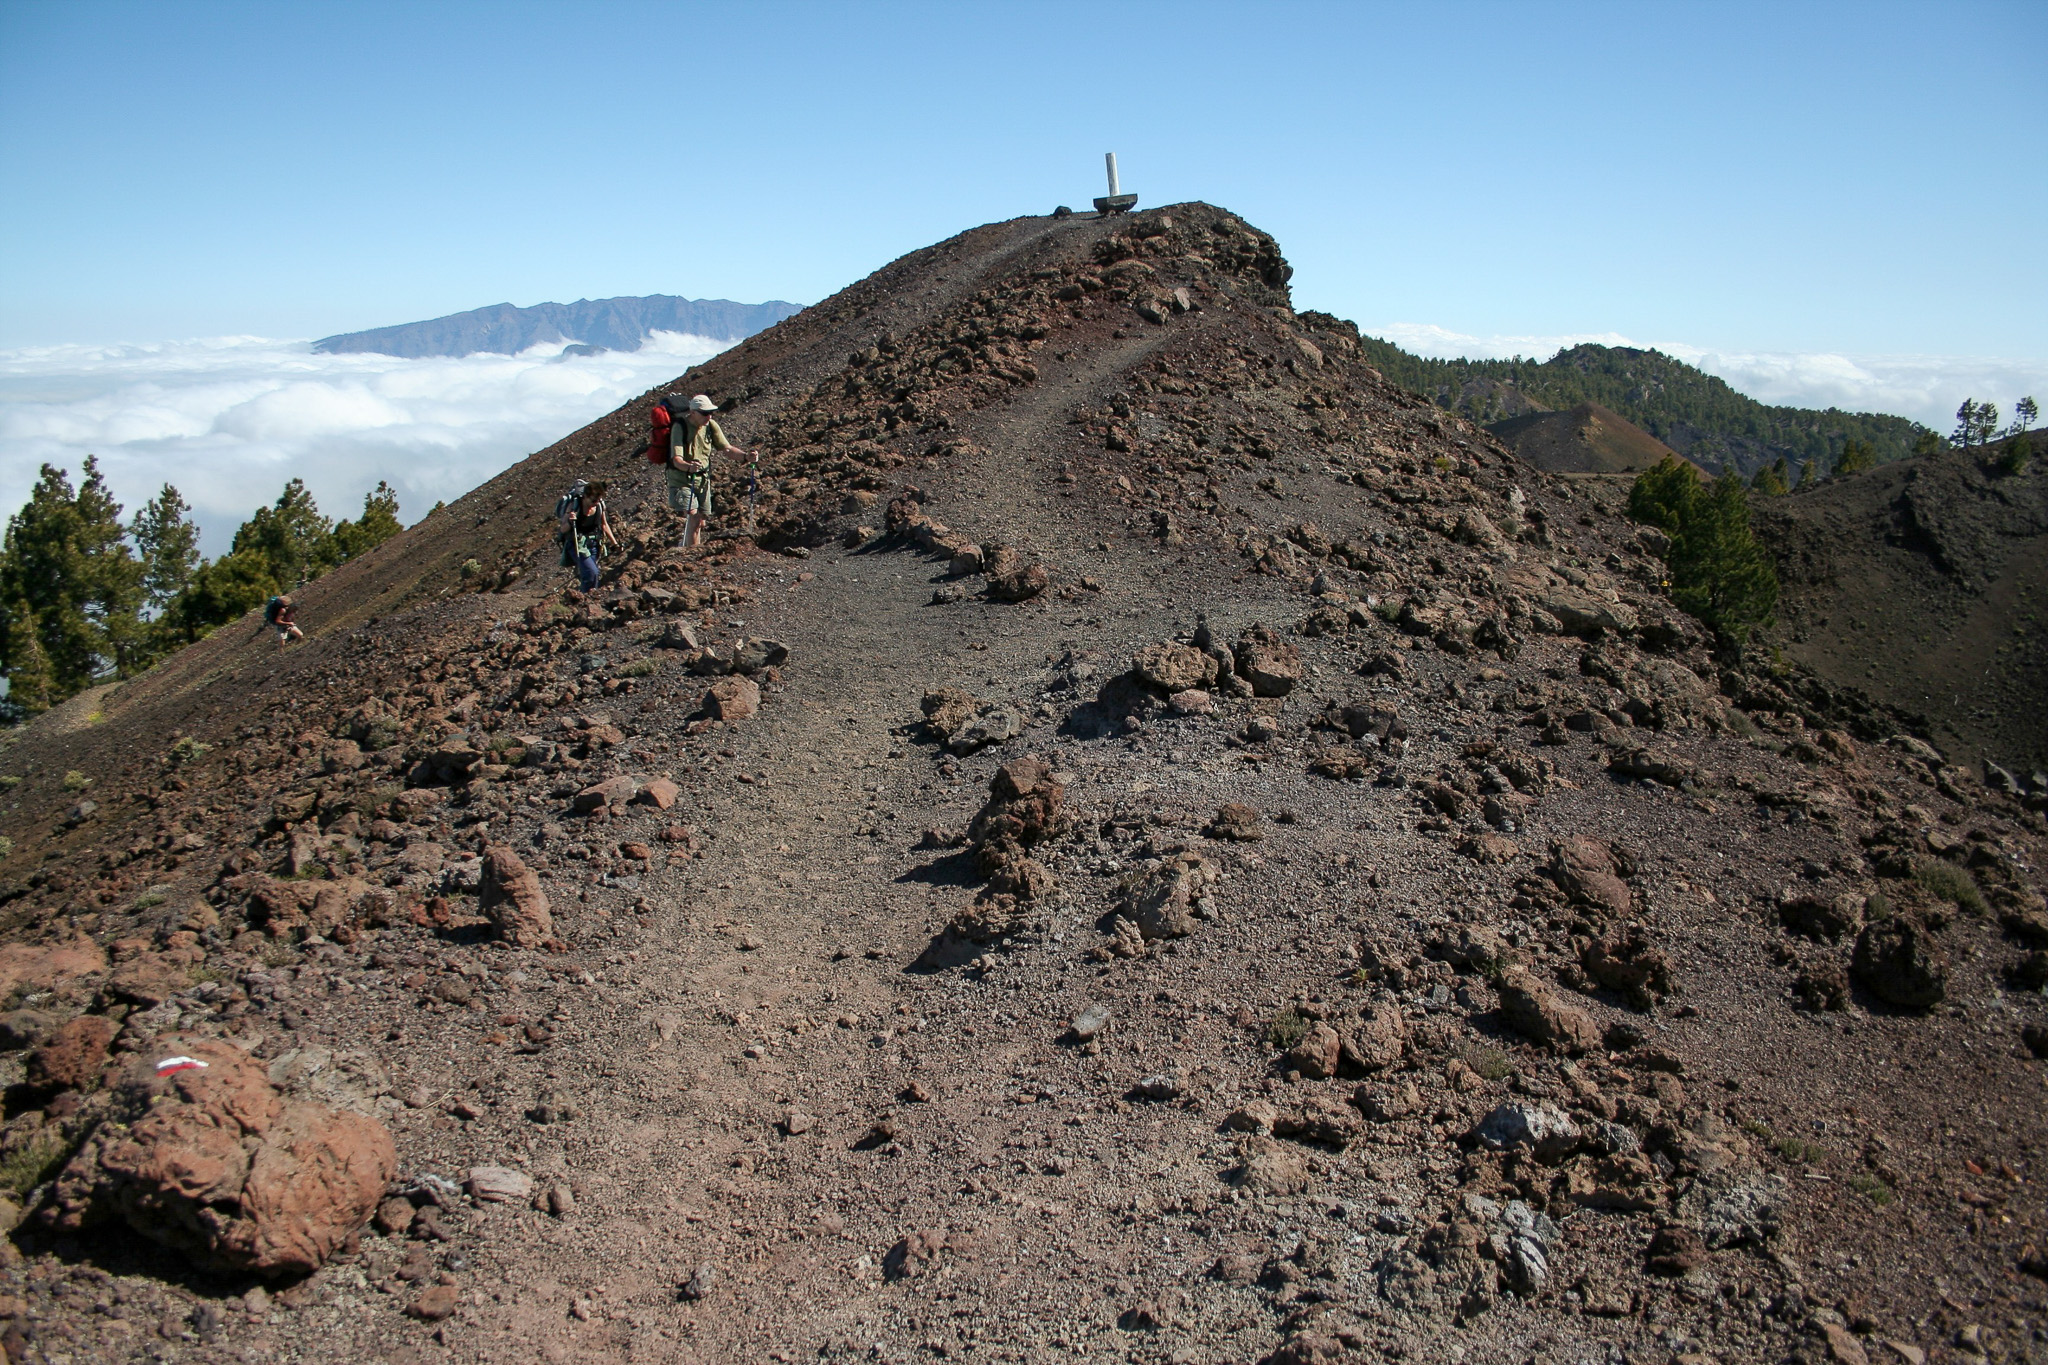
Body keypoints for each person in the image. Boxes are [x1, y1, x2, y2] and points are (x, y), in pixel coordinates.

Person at [666, 394, 751, 549]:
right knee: (694, 516)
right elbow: (676, 460)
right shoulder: (680, 427)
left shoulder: (711, 426)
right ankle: (690, 553)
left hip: (702, 479)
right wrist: (689, 466)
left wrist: (745, 457)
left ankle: (688, 548)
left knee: (701, 521)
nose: (709, 416)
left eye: (710, 412)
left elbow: (727, 449)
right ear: (692, 412)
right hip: (682, 480)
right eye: (705, 413)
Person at [569, 480, 619, 590]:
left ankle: (587, 598)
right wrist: (570, 520)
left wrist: (615, 543)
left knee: (592, 575)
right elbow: (563, 528)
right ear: (585, 496)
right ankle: (586, 599)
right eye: (593, 500)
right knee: (592, 572)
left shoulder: (599, 507)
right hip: (578, 545)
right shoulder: (575, 507)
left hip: (594, 545)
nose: (596, 502)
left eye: (598, 500)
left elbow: (604, 525)